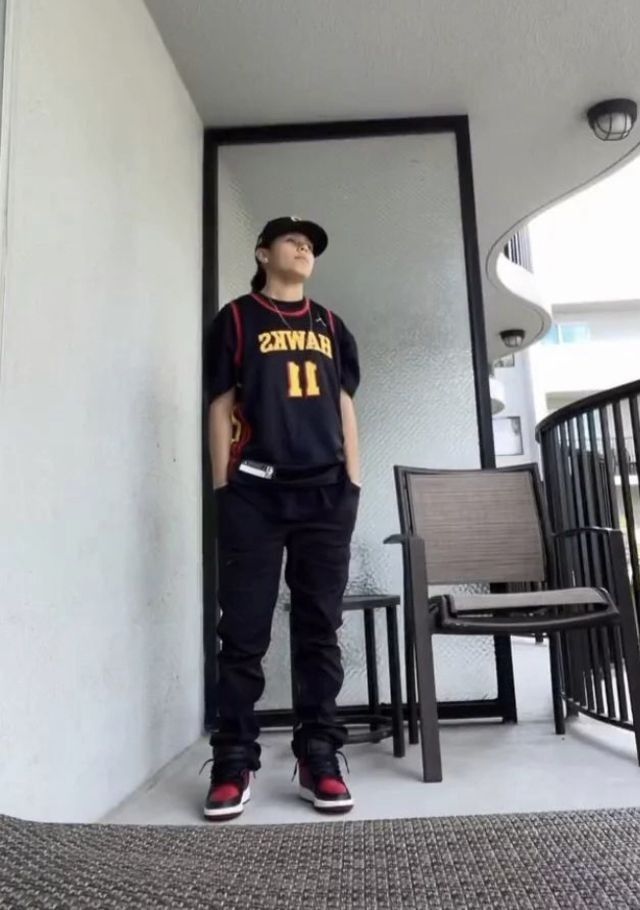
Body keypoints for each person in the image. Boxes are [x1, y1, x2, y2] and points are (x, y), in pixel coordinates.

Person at [202, 216, 361, 821]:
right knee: (242, 633)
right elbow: (220, 405)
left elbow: (344, 404)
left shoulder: (331, 326)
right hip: (254, 495)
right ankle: (232, 760)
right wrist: (223, 486)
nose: (305, 248)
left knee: (320, 630)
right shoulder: (237, 319)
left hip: (326, 496)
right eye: (293, 240)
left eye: (312, 244)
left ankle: (318, 756)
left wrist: (353, 480)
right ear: (263, 252)